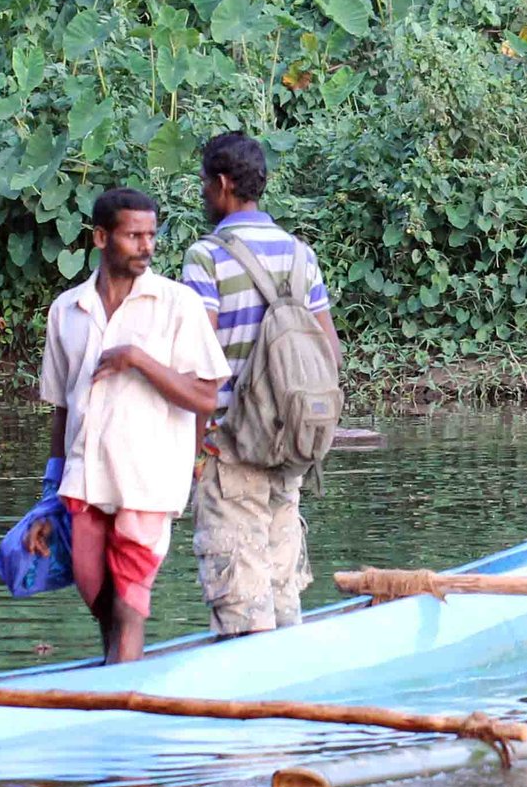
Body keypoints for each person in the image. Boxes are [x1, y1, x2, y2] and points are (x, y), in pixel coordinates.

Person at [39, 186, 231, 662]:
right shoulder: (68, 309)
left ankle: (120, 694)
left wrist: (138, 360)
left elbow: (206, 394)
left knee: (129, 601)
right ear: (101, 238)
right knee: (95, 591)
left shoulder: (177, 304)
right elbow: (62, 406)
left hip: (149, 479)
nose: (147, 246)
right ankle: (117, 677)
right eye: (134, 236)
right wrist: (49, 490)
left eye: (151, 235)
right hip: (84, 477)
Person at [181, 132, 340, 637]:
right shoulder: (300, 255)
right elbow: (328, 352)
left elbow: (200, 361)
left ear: (224, 184)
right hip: (290, 449)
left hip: (230, 452)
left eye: (207, 183)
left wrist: (193, 452)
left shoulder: (205, 257)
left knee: (242, 609)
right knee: (282, 595)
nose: (205, 193)